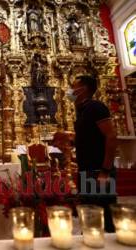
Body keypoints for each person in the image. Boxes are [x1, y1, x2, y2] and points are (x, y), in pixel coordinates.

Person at [66, 75, 117, 232]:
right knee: (89, 216)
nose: (70, 90)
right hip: (86, 171)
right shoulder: (83, 111)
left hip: (98, 171)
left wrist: (105, 171)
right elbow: (89, 138)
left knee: (103, 217)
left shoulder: (96, 107)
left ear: (83, 89)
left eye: (73, 87)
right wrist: (69, 140)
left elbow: (111, 136)